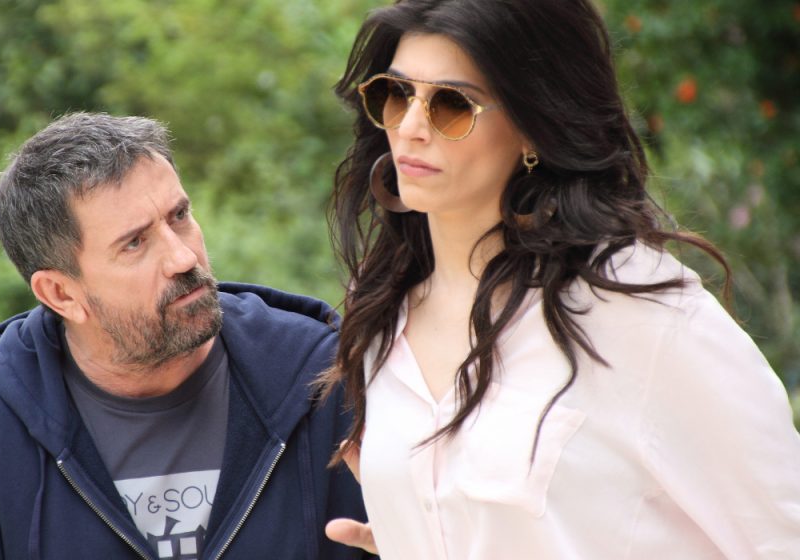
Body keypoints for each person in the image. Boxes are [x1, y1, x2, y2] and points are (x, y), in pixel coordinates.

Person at [320, 0, 800, 558]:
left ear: (533, 127)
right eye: (396, 93)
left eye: (452, 104)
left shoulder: (637, 312)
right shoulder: (381, 314)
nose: (409, 127)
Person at [0, 112, 369, 560]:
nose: (183, 257)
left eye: (179, 217)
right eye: (135, 243)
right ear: (61, 293)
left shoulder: (326, 380)